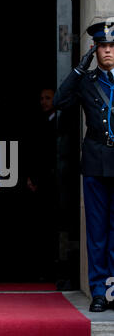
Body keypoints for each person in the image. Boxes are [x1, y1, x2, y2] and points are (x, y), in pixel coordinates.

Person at [53, 20, 114, 312]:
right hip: (94, 164)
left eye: (112, 46)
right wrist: (79, 69)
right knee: (97, 231)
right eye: (103, 47)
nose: (108, 51)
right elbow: (59, 100)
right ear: (95, 50)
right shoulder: (86, 82)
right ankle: (100, 291)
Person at [26, 88, 58, 281]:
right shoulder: (40, 122)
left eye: (48, 98)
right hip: (41, 182)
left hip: (55, 182)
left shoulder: (61, 123)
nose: (43, 101)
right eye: (41, 98)